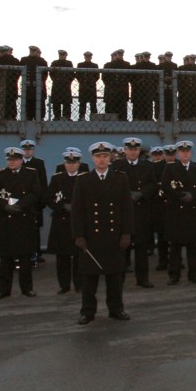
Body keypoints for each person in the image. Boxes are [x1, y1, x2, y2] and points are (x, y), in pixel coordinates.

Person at [72, 142, 133, 325]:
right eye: (98, 157)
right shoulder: (83, 180)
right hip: (92, 237)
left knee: (114, 277)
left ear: (110, 158)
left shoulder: (120, 178)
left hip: (114, 236)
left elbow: (126, 208)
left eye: (105, 156)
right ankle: (87, 311)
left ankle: (116, 309)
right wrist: (79, 235)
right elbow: (77, 211)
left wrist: (127, 233)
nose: (102, 160)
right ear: (93, 159)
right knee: (89, 278)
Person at [0, 148, 41, 298]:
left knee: (25, 257)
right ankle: (3, 290)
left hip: (23, 218)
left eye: (15, 159)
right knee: (5, 258)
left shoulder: (31, 174)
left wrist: (20, 205)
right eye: (9, 159)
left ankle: (27, 288)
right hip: (6, 219)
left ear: (21, 160)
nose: (11, 162)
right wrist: (6, 207)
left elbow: (35, 193)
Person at [159, 141, 196, 284]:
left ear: (190, 153)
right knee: (175, 247)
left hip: (192, 211)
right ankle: (174, 275)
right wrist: (180, 196)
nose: (185, 154)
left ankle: (193, 274)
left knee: (193, 246)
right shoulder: (170, 168)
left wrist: (193, 195)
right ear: (178, 153)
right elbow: (166, 186)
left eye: (187, 151)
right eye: (182, 151)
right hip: (176, 212)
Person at [118, 138, 158, 288]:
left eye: (135, 149)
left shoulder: (147, 166)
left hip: (141, 211)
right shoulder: (117, 166)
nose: (133, 152)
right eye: (130, 149)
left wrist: (141, 194)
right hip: (124, 212)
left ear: (138, 151)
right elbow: (113, 185)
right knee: (122, 247)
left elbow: (153, 184)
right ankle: (119, 278)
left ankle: (142, 278)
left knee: (141, 248)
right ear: (125, 150)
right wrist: (128, 194)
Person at [46, 148, 87, 294]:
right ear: (65, 163)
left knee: (78, 255)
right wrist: (62, 206)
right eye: (68, 163)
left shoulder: (85, 178)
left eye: (74, 162)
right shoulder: (57, 179)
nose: (71, 165)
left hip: (78, 221)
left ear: (79, 163)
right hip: (61, 221)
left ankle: (79, 284)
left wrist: (75, 207)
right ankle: (64, 285)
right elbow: (49, 198)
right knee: (62, 256)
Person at [129, 51, 158, 121]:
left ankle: (148, 117)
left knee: (148, 103)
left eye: (148, 57)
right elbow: (132, 78)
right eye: (146, 56)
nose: (147, 58)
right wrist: (137, 83)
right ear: (143, 57)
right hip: (139, 88)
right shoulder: (137, 66)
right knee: (139, 103)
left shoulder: (153, 65)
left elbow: (156, 77)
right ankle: (139, 117)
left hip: (149, 87)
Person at [103, 49, 130, 120]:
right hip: (113, 89)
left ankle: (123, 119)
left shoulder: (126, 64)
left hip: (122, 88)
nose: (120, 56)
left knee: (122, 106)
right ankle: (112, 119)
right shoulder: (110, 65)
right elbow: (105, 77)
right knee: (112, 105)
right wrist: (111, 85)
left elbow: (129, 76)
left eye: (121, 55)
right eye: (119, 55)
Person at [177, 54, 196, 120]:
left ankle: (195, 117)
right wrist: (182, 86)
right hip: (185, 89)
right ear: (189, 59)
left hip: (195, 89)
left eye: (193, 59)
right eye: (191, 59)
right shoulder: (182, 68)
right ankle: (185, 117)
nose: (192, 60)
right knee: (185, 104)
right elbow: (179, 79)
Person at [76, 51, 99, 120]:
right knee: (82, 103)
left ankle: (94, 117)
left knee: (93, 103)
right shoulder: (80, 65)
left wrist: (91, 81)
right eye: (87, 56)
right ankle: (81, 117)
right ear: (84, 57)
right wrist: (82, 81)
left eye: (89, 56)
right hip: (83, 86)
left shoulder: (95, 65)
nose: (88, 58)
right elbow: (78, 75)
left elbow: (97, 76)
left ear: (91, 57)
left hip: (91, 86)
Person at [158, 52, 178, 121]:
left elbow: (176, 75)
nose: (169, 58)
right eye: (167, 56)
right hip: (163, 87)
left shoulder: (174, 65)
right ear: (165, 57)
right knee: (163, 102)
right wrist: (164, 79)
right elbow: (157, 76)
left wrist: (171, 78)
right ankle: (164, 117)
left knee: (171, 103)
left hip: (171, 87)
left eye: (170, 57)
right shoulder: (161, 65)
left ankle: (170, 117)